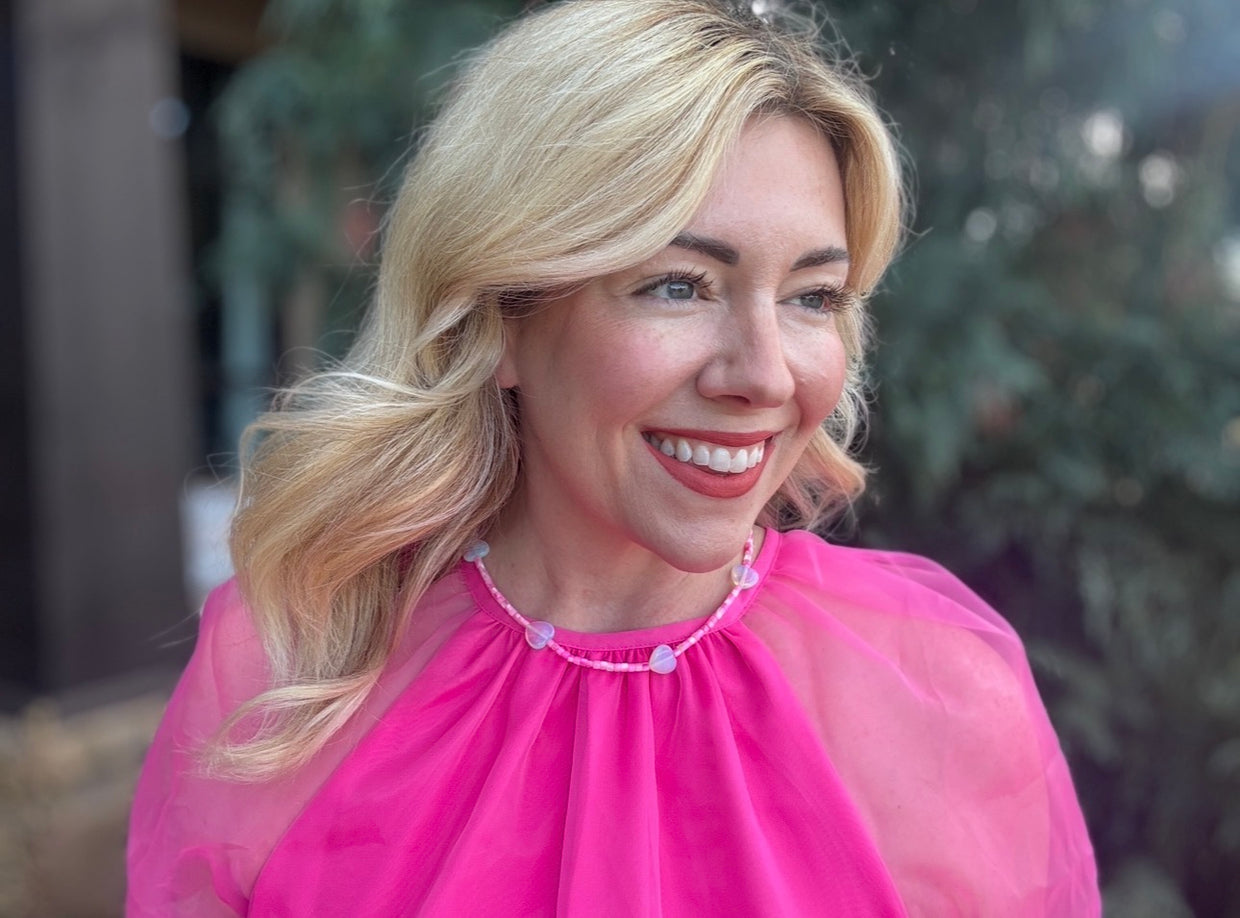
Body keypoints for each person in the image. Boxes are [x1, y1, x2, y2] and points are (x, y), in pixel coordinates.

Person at [127, 0, 1100, 914]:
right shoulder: (291, 681)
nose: (763, 375)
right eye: (677, 285)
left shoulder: (938, 699)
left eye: (812, 298)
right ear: (500, 319)